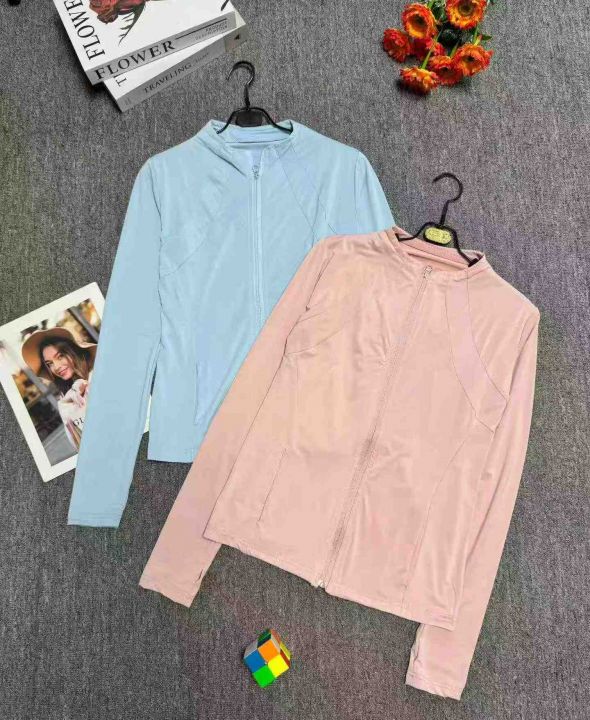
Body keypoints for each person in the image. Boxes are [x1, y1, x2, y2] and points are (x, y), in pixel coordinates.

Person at [21, 328, 97, 450]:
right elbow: (76, 443)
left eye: (60, 356)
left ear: (72, 351)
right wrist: (68, 408)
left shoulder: (98, 376)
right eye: (49, 363)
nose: (56, 367)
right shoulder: (65, 397)